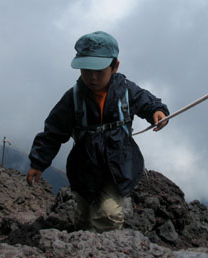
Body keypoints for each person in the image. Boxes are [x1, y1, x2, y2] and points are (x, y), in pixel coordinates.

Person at [27, 31, 169, 232]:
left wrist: (157, 111)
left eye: (99, 71)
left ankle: (103, 246)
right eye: (86, 70)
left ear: (115, 66)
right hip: (85, 166)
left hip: (118, 164)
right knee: (83, 214)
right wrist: (38, 163)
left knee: (108, 215)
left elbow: (147, 102)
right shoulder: (73, 97)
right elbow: (53, 132)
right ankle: (81, 240)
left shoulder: (126, 90)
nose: (92, 78)